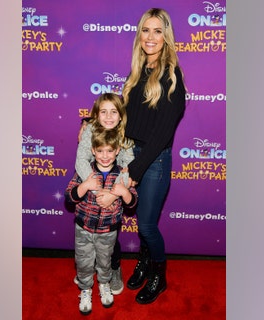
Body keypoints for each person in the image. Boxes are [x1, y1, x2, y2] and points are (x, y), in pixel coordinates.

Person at [122, 8, 186, 304]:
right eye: (145, 30)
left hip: (154, 160)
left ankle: (159, 275)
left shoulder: (171, 77)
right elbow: (126, 117)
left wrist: (135, 169)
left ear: (166, 37)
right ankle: (145, 263)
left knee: (146, 225)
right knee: (144, 223)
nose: (150, 37)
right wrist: (90, 123)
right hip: (130, 155)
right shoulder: (137, 73)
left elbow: (162, 135)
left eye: (157, 31)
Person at [66, 127, 138, 315]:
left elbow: (132, 203)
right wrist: (85, 186)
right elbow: (69, 197)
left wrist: (124, 192)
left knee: (105, 262)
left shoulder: (122, 176)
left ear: (117, 151)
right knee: (83, 262)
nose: (105, 156)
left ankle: (104, 284)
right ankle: (85, 289)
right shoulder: (85, 173)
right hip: (83, 229)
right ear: (93, 151)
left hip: (108, 231)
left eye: (109, 151)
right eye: (100, 151)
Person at [74, 93, 134, 295]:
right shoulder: (90, 129)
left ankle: (111, 270)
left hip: (113, 191)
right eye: (103, 112)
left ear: (121, 115)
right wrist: (95, 187)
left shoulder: (126, 134)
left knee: (109, 240)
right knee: (86, 240)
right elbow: (81, 160)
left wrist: (113, 194)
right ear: (96, 115)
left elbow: (128, 168)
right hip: (92, 186)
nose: (109, 117)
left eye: (114, 112)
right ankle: (85, 271)